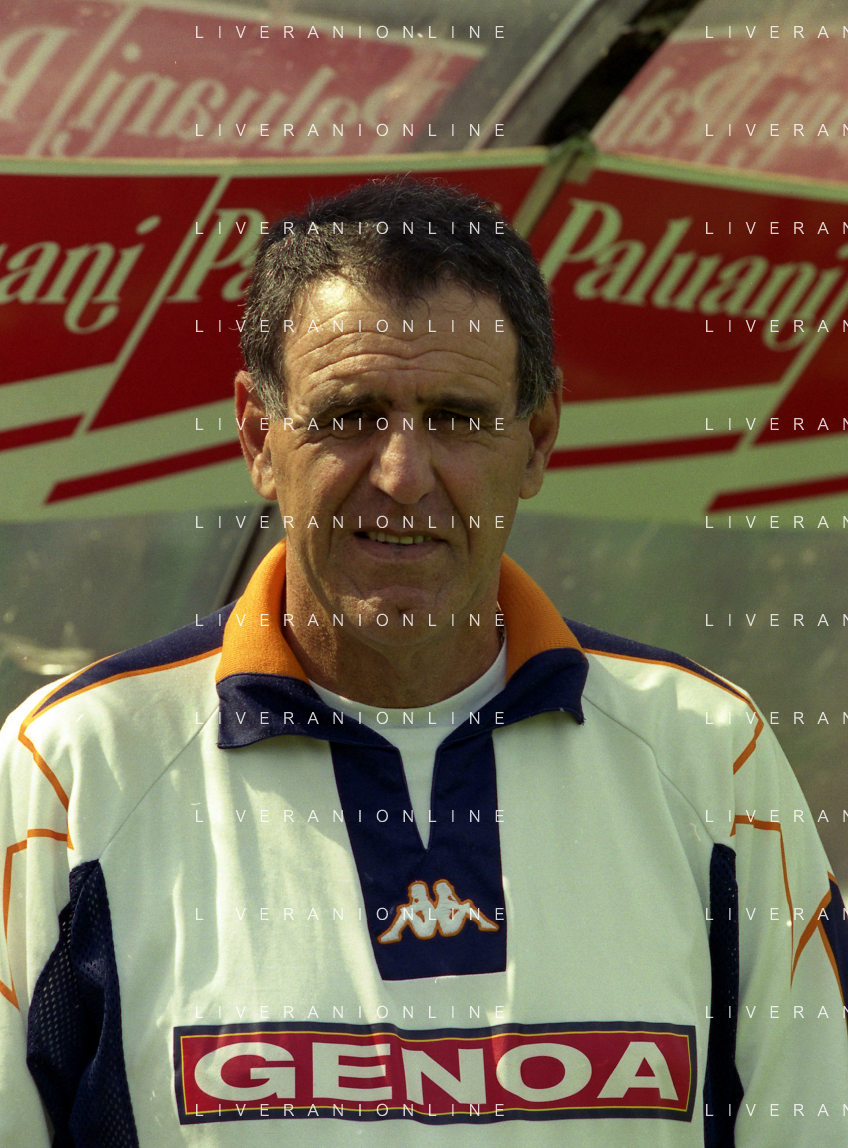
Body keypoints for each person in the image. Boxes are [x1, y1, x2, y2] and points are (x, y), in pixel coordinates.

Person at [1, 177, 846, 1148]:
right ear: (257, 436)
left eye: (455, 417)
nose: (402, 476)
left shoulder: (711, 756)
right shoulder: (73, 770)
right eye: (350, 413)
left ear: (536, 440)